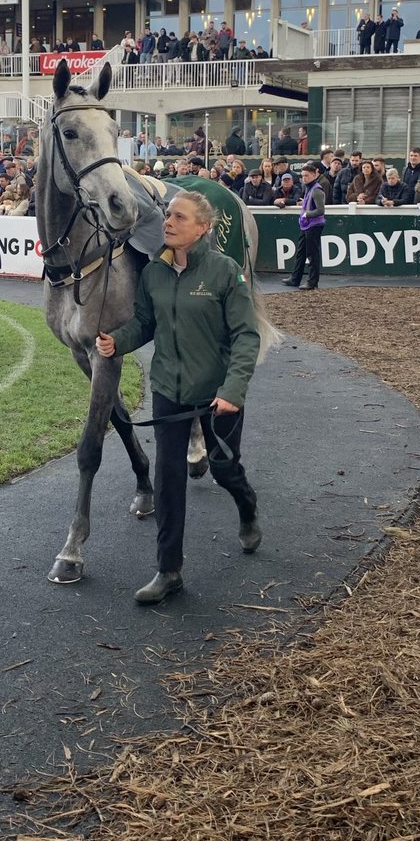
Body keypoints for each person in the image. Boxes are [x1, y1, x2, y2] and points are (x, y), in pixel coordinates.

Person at [95, 191, 262, 604]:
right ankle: (168, 571)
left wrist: (232, 391)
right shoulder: (154, 273)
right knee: (168, 482)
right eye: (168, 215)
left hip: (217, 395)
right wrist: (117, 342)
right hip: (168, 390)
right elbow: (145, 324)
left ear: (202, 228)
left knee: (224, 469)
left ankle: (247, 506)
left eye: (180, 217)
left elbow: (246, 336)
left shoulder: (224, 272)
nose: (168, 222)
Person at [281, 162, 326, 290]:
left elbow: (321, 210)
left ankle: (312, 282)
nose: (304, 178)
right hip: (306, 225)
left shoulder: (316, 189)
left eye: (306, 175)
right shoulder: (309, 188)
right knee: (301, 252)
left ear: (313, 175)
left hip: (313, 225)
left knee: (312, 254)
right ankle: (295, 278)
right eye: (303, 176)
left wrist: (306, 214)